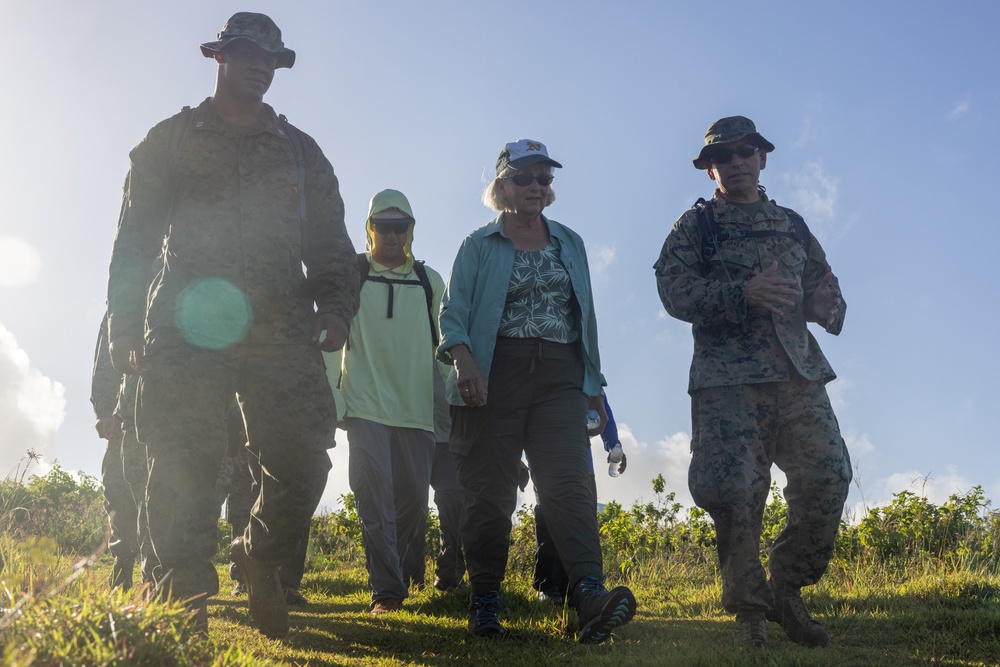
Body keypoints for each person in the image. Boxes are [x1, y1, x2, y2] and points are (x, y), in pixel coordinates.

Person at [105, 12, 359, 637]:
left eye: (272, 59)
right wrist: (125, 322)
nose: (262, 67)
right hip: (184, 329)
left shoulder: (302, 151)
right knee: (179, 465)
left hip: (281, 328)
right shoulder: (170, 140)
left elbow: (330, 238)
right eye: (249, 53)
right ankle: (182, 601)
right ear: (221, 57)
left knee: (303, 461)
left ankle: (260, 555)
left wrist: (336, 306)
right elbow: (134, 238)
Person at [653, 116, 851, 648]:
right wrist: (743, 294)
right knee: (737, 494)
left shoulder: (792, 225)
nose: (736, 163)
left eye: (745, 153)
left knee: (829, 475)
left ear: (762, 158)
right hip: (728, 384)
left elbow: (823, 290)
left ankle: (787, 589)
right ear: (710, 169)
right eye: (725, 157)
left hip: (798, 375)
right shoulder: (696, 227)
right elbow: (674, 292)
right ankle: (750, 613)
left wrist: (827, 307)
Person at [438, 139, 637, 644]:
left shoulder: (570, 242)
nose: (536, 186)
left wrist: (593, 385)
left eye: (544, 179)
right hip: (493, 375)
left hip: (559, 377)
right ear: (502, 184)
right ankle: (485, 599)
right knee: (490, 492)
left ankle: (589, 595)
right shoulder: (478, 245)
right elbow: (453, 312)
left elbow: (585, 318)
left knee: (570, 486)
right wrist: (464, 362)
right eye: (525, 178)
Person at [337, 189, 445, 614]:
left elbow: (447, 344)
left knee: (415, 501)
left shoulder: (428, 280)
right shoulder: (353, 274)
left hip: (416, 410)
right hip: (364, 406)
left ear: (410, 231)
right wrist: (333, 396)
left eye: (401, 226)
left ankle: (398, 576)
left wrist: (460, 392)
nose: (392, 234)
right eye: (383, 225)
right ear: (370, 228)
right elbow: (331, 341)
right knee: (373, 496)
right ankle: (386, 592)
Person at [534, 390, 625, 604]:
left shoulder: (586, 368)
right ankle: (548, 587)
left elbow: (603, 407)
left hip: (581, 461)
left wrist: (614, 444)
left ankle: (582, 586)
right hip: (546, 457)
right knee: (549, 520)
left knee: (584, 522)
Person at [90, 312, 137, 592]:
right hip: (125, 416)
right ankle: (123, 568)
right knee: (119, 493)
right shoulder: (128, 295)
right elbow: (106, 358)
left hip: (173, 418)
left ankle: (162, 576)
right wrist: (104, 410)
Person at [429, 366, 466, 592]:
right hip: (408, 431)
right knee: (404, 505)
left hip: (448, 439)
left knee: (451, 502)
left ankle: (448, 575)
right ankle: (402, 575)